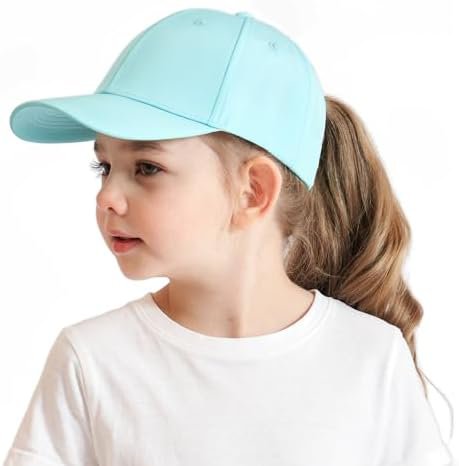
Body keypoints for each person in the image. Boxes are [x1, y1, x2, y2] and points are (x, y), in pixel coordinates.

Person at [3, 7, 456, 466]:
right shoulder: (91, 362)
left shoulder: (372, 359)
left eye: (147, 168)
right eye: (103, 166)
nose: (107, 197)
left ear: (253, 191)